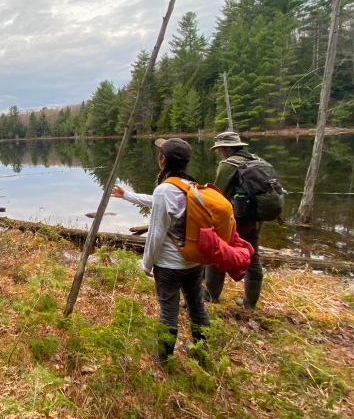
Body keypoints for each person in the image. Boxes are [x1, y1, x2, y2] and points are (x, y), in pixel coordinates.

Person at [111, 138, 210, 367]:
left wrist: (146, 264)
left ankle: (163, 359)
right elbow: (159, 202)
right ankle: (202, 354)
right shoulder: (192, 186)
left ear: (163, 160)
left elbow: (155, 234)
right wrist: (127, 195)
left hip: (169, 266)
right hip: (194, 261)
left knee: (168, 310)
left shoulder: (165, 189)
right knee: (196, 305)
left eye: (159, 154)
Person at [205, 132, 264, 309]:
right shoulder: (257, 161)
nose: (218, 153)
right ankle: (250, 303)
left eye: (220, 149)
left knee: (218, 252)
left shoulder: (228, 165)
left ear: (228, 148)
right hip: (257, 217)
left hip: (236, 219)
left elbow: (218, 195)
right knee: (253, 256)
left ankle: (211, 295)